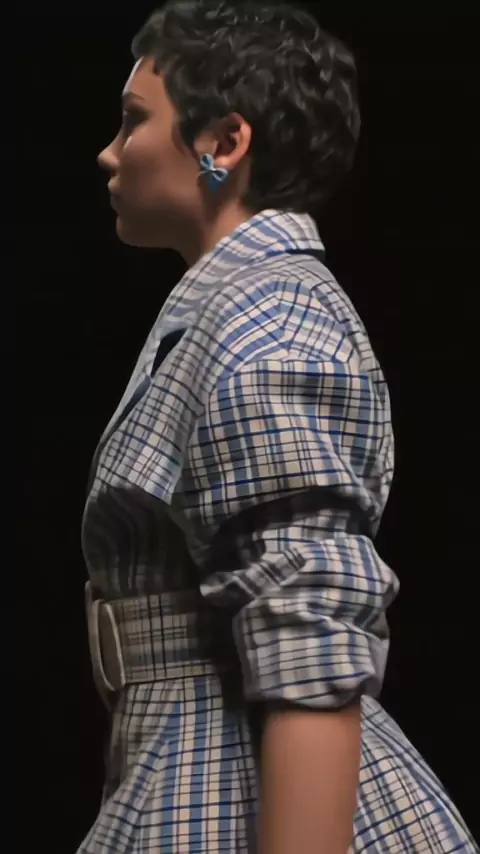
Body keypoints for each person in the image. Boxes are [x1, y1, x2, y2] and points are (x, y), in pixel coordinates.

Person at [79, 2, 477, 852]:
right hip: (185, 753)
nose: (110, 152)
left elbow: (308, 639)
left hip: (231, 774)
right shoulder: (233, 309)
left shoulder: (269, 320)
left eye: (134, 119)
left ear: (224, 143)